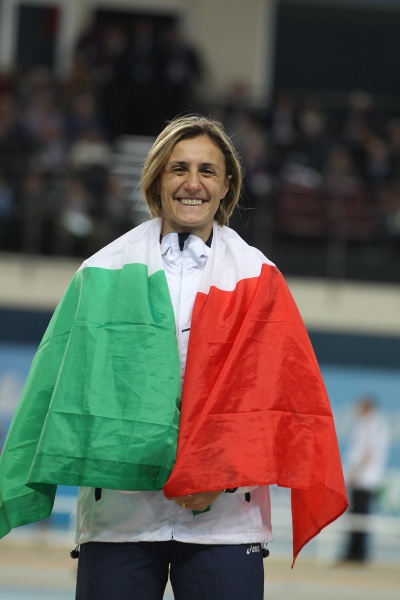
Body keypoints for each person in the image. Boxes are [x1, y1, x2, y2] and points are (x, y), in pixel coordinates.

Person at [0, 115, 347, 599]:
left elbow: (275, 399)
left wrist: (218, 473)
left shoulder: (259, 277)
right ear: (156, 179)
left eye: (207, 171)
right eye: (179, 168)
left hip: (225, 520)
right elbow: (58, 392)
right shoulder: (100, 271)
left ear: (227, 185)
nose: (192, 183)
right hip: (119, 517)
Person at [342, 394, 389, 563]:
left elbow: (369, 451)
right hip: (362, 475)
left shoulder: (373, 424)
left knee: (360, 515)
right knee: (356, 514)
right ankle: (354, 550)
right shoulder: (368, 423)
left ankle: (357, 552)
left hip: (364, 477)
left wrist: (356, 472)